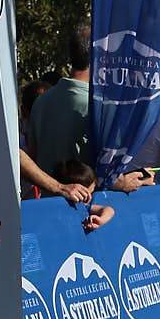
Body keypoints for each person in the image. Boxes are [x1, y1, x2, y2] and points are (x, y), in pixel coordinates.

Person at [27, 30, 91, 175]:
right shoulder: (95, 106)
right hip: (87, 196)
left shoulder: (41, 102)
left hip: (48, 196)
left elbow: (33, 156)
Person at [53, 161, 116, 231]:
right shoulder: (58, 207)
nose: (90, 198)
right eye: (87, 196)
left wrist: (100, 220)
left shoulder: (81, 205)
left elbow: (109, 210)